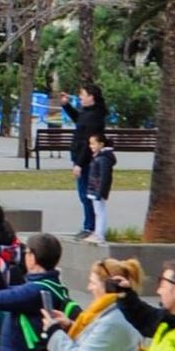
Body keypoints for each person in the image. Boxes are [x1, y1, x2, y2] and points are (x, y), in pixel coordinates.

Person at [63, 83, 108, 239]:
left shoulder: (95, 117)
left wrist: (79, 164)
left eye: (83, 94)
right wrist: (66, 105)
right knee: (85, 195)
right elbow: (79, 120)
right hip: (81, 158)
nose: (80, 97)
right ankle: (90, 226)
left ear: (91, 97)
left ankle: (90, 227)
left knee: (87, 195)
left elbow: (87, 143)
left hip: (86, 162)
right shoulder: (88, 113)